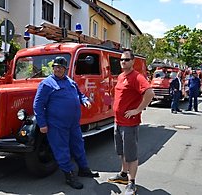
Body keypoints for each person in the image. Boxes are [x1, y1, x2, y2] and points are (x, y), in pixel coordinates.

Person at [33, 56, 99, 190]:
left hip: (73, 123)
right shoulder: (46, 84)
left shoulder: (70, 82)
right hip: (57, 124)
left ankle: (83, 169)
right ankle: (69, 175)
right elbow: (37, 105)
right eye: (56, 67)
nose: (58, 69)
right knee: (61, 149)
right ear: (53, 68)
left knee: (78, 145)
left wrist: (84, 100)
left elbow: (80, 94)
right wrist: (42, 124)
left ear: (65, 69)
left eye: (60, 67)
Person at [107, 50, 154, 195]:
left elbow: (150, 93)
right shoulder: (121, 76)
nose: (123, 62)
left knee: (131, 155)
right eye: (121, 60)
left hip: (129, 124)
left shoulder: (137, 77)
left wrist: (137, 110)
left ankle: (132, 183)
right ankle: (123, 174)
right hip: (118, 121)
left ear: (133, 61)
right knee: (122, 152)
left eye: (126, 60)